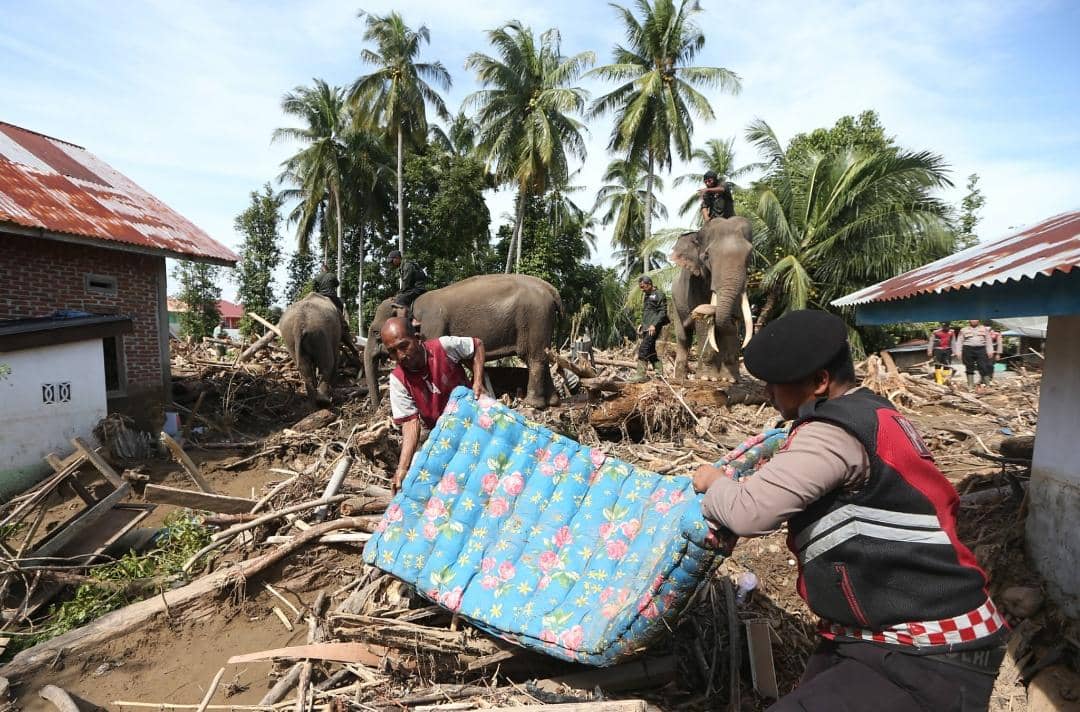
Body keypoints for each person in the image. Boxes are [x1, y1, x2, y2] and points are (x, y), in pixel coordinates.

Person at [692, 310, 1006, 711]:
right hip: (875, 632)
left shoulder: (831, 434)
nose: (768, 391)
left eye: (776, 383)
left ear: (820, 381)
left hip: (926, 646)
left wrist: (713, 482)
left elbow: (750, 512)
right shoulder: (870, 410)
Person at [380, 317, 486, 493]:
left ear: (417, 338)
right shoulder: (398, 379)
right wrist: (402, 469)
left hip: (474, 419)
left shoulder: (443, 347)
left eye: (403, 346)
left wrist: (478, 381)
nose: (400, 356)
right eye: (392, 352)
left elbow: (477, 345)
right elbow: (410, 424)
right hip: (444, 434)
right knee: (421, 469)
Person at [631, 275, 670, 382]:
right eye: (641, 287)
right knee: (651, 351)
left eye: (643, 287)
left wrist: (654, 325)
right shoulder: (647, 295)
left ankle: (641, 375)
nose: (642, 289)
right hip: (646, 327)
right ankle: (659, 373)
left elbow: (662, 312)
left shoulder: (659, 294)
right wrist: (642, 325)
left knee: (643, 349)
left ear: (649, 284)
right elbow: (648, 312)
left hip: (654, 328)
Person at [954, 319, 995, 389]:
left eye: (975, 319)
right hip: (968, 349)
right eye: (972, 319)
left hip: (981, 349)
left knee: (983, 366)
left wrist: (990, 350)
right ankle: (970, 385)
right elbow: (959, 341)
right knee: (969, 366)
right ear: (969, 321)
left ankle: (987, 384)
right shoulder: (963, 330)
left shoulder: (984, 329)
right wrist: (958, 352)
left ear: (978, 320)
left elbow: (989, 340)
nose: (973, 321)